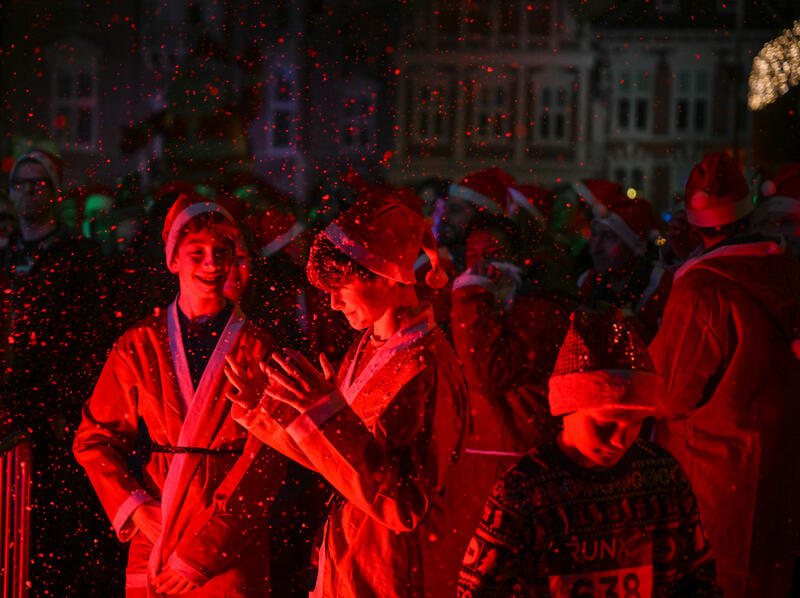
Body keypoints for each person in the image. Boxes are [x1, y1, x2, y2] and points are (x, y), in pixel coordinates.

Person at [224, 184, 468, 598]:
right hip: (350, 561)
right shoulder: (368, 347)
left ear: (390, 277)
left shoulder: (426, 366)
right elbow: (335, 461)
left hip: (396, 573)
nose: (333, 304)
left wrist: (325, 411)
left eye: (342, 287)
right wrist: (267, 408)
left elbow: (404, 502)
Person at [73, 192, 287, 596]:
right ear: (171, 259)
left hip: (229, 545)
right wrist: (136, 508)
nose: (211, 263)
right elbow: (94, 438)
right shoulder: (138, 345)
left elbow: (269, 459)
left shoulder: (259, 348)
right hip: (158, 531)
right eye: (197, 251)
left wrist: (210, 546)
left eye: (221, 250)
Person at [458, 309, 722, 598]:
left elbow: (697, 578)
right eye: (605, 423)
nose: (621, 440)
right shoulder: (523, 491)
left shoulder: (663, 476)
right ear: (567, 409)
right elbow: (479, 590)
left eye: (636, 425)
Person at [649, 151, 800, 598]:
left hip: (712, 480)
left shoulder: (703, 287)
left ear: (693, 223)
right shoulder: (786, 271)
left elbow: (672, 393)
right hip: (776, 473)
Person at [0, 149, 123, 594]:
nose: (30, 193)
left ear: (55, 192)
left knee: (51, 530)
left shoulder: (78, 257)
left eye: (39, 184)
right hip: (9, 415)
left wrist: (65, 406)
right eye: (22, 184)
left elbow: (89, 338)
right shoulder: (6, 255)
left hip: (55, 420)